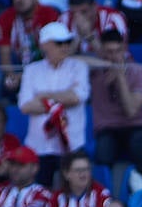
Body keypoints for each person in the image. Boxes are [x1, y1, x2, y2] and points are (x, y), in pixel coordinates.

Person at [19, 23, 91, 184]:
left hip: (71, 144)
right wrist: (61, 98)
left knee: (70, 196)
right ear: (45, 45)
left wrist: (43, 96)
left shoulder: (79, 67)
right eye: (59, 43)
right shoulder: (31, 70)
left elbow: (77, 97)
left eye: (67, 42)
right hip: (39, 146)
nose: (65, 47)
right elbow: (26, 106)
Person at [89, 29, 142, 184]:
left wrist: (120, 78)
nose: (114, 56)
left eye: (118, 51)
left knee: (139, 146)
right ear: (101, 51)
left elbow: (130, 110)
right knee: (103, 150)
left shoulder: (138, 72)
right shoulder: (94, 71)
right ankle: (103, 195)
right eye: (109, 52)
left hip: (135, 125)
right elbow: (71, 60)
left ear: (124, 49)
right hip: (107, 128)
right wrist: (105, 63)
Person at [0, 0, 60, 101]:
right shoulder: (5, 17)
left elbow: (53, 56)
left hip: (45, 67)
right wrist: (11, 76)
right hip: (17, 65)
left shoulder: (49, 15)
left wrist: (24, 77)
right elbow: (5, 55)